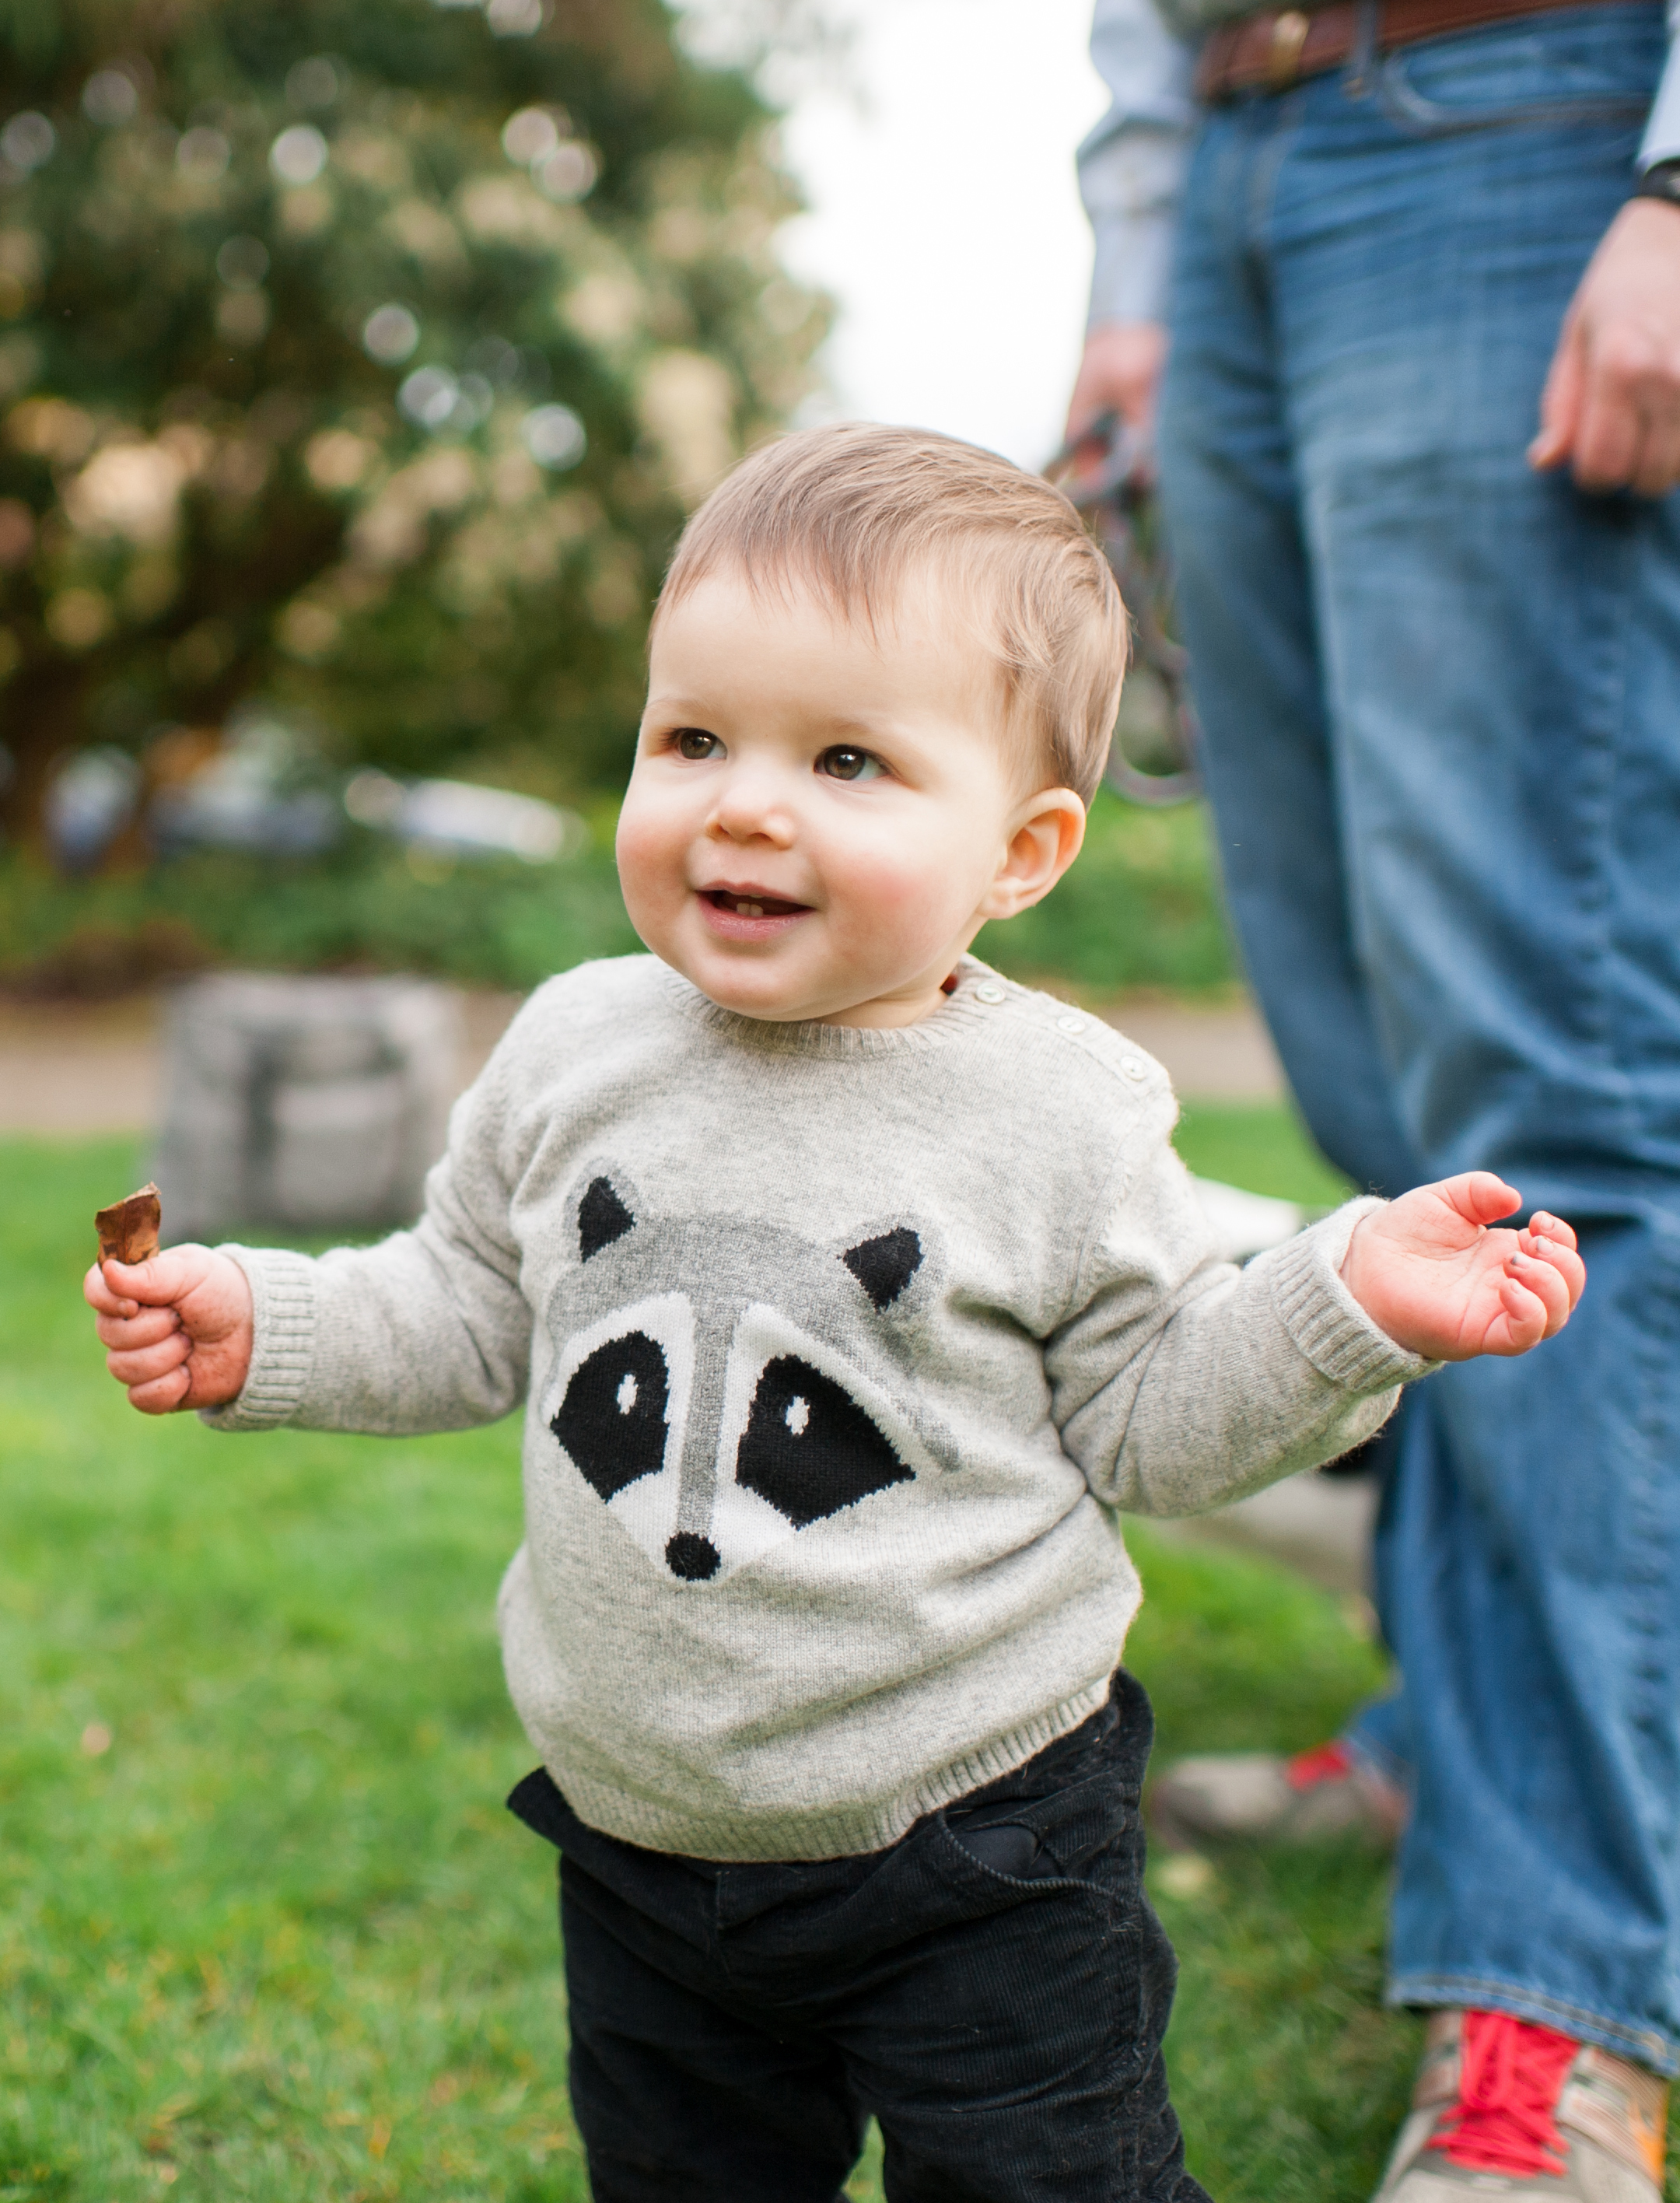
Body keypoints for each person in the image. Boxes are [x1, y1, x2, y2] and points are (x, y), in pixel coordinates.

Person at [84, 425, 1584, 2203]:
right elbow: (477, 1303)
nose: (744, 802)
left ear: (1021, 850)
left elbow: (1158, 1424)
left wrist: (1341, 1306)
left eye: (849, 758)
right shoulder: (576, 1042)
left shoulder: (1060, 1116)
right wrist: (275, 1326)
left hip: (976, 1839)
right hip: (641, 1836)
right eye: (693, 737)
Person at [1068, 2, 1680, 2198]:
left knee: (1548, 1126)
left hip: (1532, 110)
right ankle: (1468, 1728)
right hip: (1242, 147)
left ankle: (1567, 1993)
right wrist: (1140, 259)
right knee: (1380, 1099)